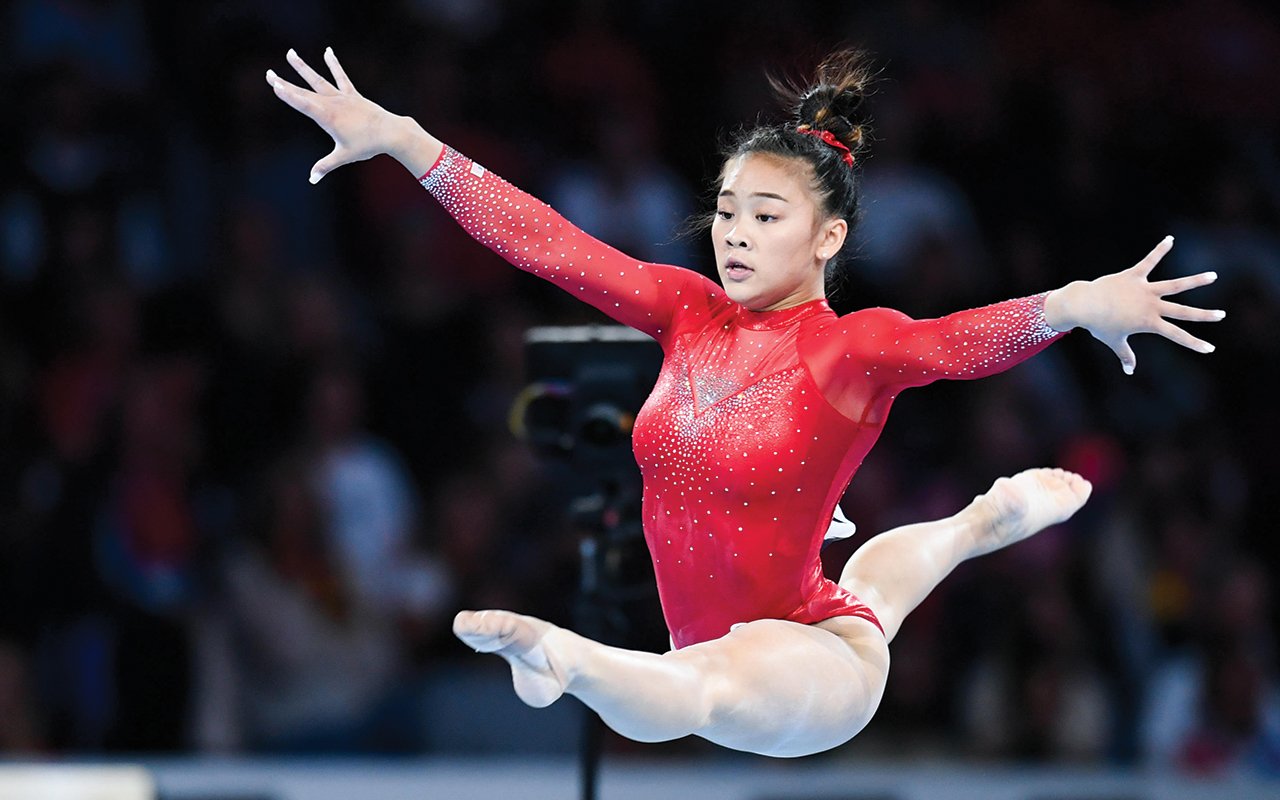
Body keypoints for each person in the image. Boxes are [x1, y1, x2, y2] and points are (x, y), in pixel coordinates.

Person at [265, 47, 1224, 757]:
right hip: (727, 638)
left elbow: (958, 343)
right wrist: (410, 143)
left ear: (827, 238)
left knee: (716, 681)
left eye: (766, 217)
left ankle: (565, 659)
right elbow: (549, 243)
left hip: (812, 663)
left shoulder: (854, 347)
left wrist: (1076, 304)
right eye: (726, 210)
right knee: (848, 600)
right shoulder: (686, 312)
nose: (734, 233)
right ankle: (984, 520)